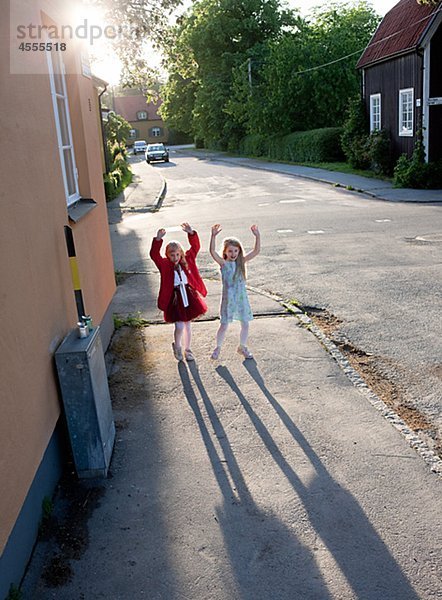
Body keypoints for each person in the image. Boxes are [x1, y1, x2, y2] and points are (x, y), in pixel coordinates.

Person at [150, 222, 207, 361]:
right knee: (179, 325)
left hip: (188, 295)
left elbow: (195, 247)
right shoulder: (164, 264)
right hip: (174, 297)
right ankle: (177, 346)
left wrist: (191, 233)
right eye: (172, 255)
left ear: (181, 253)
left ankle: (188, 350)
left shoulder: (187, 260)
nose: (175, 257)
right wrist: (158, 240)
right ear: (167, 255)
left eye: (177, 254)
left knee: (188, 325)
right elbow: (154, 255)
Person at [209, 224, 260, 360]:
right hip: (229, 300)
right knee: (224, 325)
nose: (233, 254)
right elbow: (212, 252)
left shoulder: (241, 262)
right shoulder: (223, 263)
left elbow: (256, 251)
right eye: (230, 251)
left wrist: (257, 236)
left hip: (241, 299)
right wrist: (213, 236)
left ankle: (242, 347)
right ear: (225, 252)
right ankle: (218, 348)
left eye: (236, 251)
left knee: (245, 323)